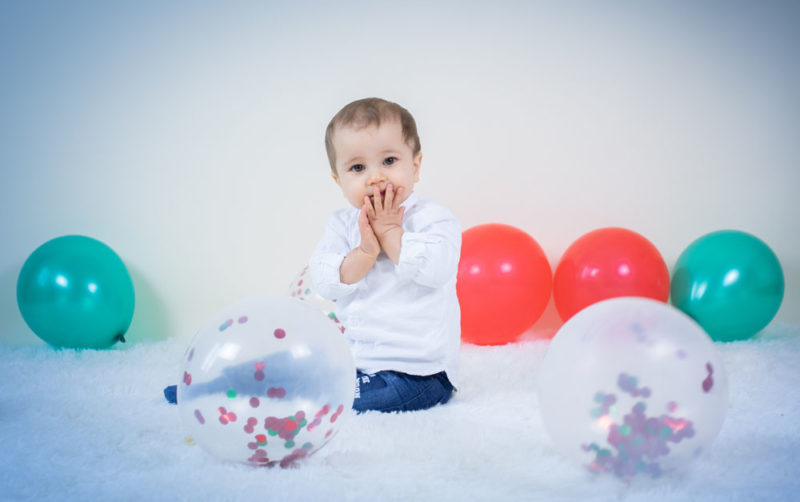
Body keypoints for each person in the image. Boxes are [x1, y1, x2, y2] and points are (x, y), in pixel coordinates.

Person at [309, 97, 461, 413]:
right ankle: (213, 386)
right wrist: (365, 252)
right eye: (358, 167)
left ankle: (298, 396)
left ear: (415, 166)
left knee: (327, 400)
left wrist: (391, 232)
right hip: (358, 361)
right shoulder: (341, 224)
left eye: (389, 161)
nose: (375, 177)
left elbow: (437, 269)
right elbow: (325, 280)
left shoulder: (432, 218)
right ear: (339, 181)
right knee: (306, 372)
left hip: (420, 372)